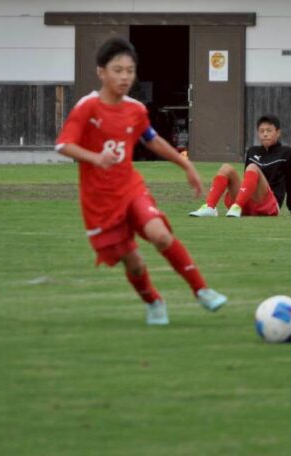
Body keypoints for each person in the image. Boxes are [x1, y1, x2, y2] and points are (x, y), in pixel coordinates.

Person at [55, 37, 227, 326]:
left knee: (160, 235)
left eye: (130, 71)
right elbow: (63, 145)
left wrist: (185, 164)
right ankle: (154, 302)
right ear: (101, 72)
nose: (125, 77)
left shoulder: (135, 109)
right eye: (117, 70)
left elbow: (152, 140)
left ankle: (202, 290)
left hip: (130, 188)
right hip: (99, 200)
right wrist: (95, 158)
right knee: (134, 263)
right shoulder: (88, 107)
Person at [189, 114, 291, 218]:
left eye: (269, 130)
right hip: (248, 201)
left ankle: (237, 207)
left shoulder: (287, 153)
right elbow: (247, 180)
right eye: (261, 131)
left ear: (278, 133)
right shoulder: (252, 151)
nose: (265, 134)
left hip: (269, 204)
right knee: (226, 168)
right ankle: (210, 207)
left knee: (252, 167)